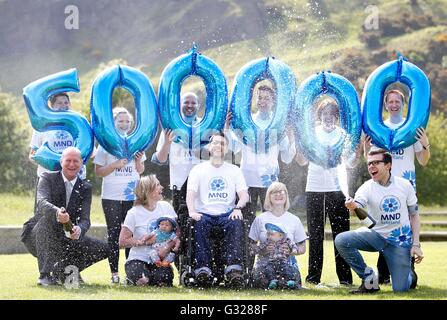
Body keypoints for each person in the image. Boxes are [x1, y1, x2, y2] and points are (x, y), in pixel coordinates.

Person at [363, 89, 430, 284]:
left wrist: (425, 145)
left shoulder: (412, 127)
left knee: (406, 227)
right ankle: (383, 273)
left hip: (407, 186)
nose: (394, 104)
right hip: (383, 186)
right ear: (385, 105)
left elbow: (423, 160)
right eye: (390, 101)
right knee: (385, 225)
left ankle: (408, 270)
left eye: (397, 101)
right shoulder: (378, 126)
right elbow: (371, 162)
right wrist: (367, 150)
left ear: (403, 103)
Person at [335, 149, 423, 293]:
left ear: (388, 165)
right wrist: (353, 206)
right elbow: (357, 206)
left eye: (376, 163)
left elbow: (414, 215)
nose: (371, 167)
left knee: (401, 289)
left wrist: (416, 244)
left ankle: (410, 274)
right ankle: (368, 277)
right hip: (375, 236)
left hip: (399, 241)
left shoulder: (405, 185)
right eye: (369, 164)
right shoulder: (366, 187)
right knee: (341, 240)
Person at [295, 98, 359, 286]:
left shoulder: (344, 135)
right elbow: (301, 161)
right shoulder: (311, 134)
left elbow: (351, 163)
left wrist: (360, 148)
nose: (328, 117)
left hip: (338, 190)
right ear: (320, 115)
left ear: (337, 117)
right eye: (325, 114)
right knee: (315, 235)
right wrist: (300, 144)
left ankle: (345, 279)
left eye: (332, 114)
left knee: (342, 235)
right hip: (314, 188)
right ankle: (313, 278)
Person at [32, 147, 109, 286]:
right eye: (68, 160)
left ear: (82, 164)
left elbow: (85, 219)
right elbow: (41, 203)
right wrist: (57, 213)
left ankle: (62, 270)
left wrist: (80, 229)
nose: (72, 165)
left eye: (76, 161)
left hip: (68, 235)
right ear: (61, 161)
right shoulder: (47, 177)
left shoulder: (86, 187)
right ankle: (44, 274)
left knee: (105, 248)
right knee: (44, 221)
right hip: (40, 234)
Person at [186, 132, 250, 288]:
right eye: (215, 142)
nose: (218, 146)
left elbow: (244, 195)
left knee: (236, 222)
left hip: (227, 214)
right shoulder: (198, 170)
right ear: (209, 146)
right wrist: (192, 211)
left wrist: (237, 208)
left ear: (226, 148)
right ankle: (203, 269)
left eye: (222, 143)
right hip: (204, 214)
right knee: (198, 222)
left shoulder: (234, 170)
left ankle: (234, 269)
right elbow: (191, 195)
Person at [94, 107, 146, 284]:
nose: (124, 124)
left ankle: (131, 272)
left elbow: (140, 170)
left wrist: (138, 161)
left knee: (130, 234)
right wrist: (114, 165)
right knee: (115, 234)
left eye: (127, 121)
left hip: (132, 196)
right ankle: (114, 273)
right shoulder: (105, 144)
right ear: (113, 123)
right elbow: (98, 172)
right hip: (111, 197)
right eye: (120, 121)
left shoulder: (137, 142)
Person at [119, 175, 179, 287]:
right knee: (143, 281)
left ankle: (154, 277)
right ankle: (134, 277)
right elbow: (122, 241)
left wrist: (168, 246)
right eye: (157, 185)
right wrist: (143, 242)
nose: (161, 187)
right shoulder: (133, 213)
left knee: (163, 281)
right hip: (138, 258)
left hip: (159, 259)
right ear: (149, 191)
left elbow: (178, 232)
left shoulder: (166, 207)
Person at [249, 182, 307, 290]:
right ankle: (275, 282)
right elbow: (251, 246)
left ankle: (283, 282)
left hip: (287, 265)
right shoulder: (260, 219)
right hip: (264, 265)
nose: (278, 194)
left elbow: (303, 248)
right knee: (260, 280)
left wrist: (291, 251)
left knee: (290, 280)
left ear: (286, 195)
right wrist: (263, 250)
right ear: (268, 197)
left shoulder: (294, 220)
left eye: (282, 191)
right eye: (274, 192)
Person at [151, 92, 202, 212]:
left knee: (199, 223)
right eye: (186, 102)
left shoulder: (204, 126)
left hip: (201, 185)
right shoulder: (170, 127)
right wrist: (167, 143)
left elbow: (214, 155)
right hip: (178, 184)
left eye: (193, 103)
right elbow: (160, 159)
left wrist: (196, 150)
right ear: (180, 105)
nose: (190, 105)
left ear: (198, 106)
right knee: (179, 223)